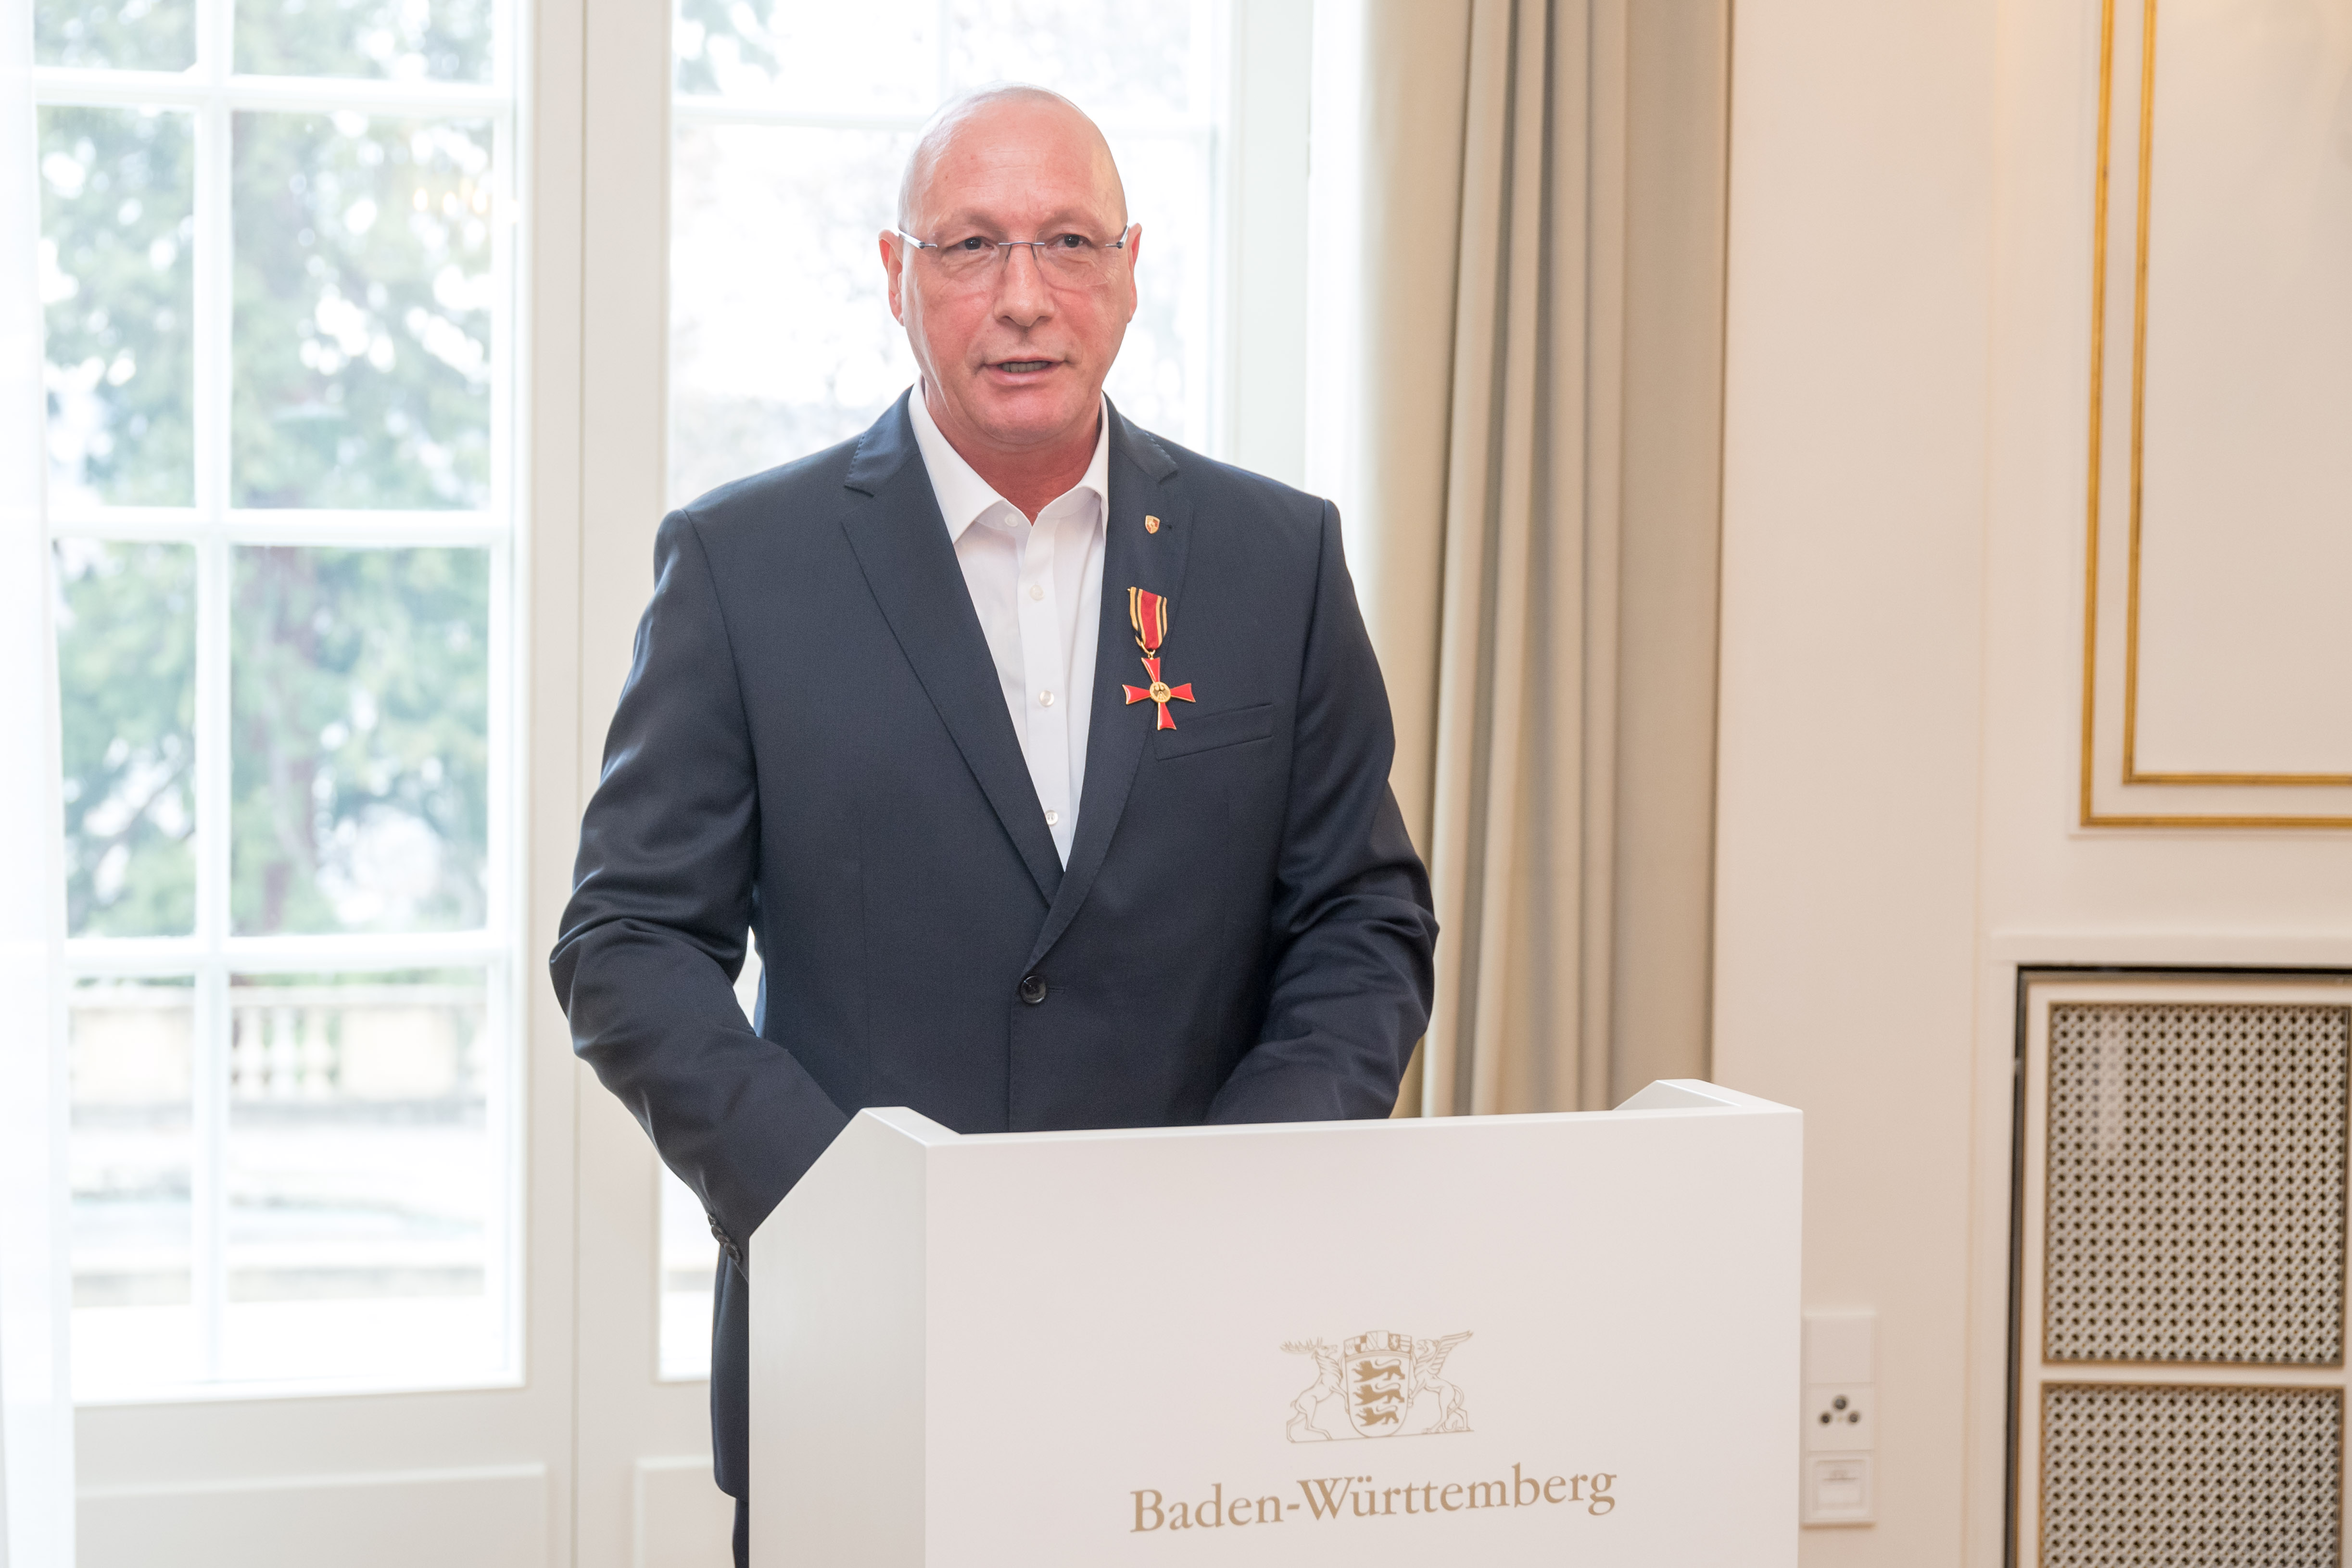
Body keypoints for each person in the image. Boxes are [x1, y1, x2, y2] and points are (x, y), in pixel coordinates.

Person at [550, 84, 1436, 1566]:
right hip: (860, 1349)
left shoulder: (1276, 559)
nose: (1023, 296)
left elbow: (1362, 918)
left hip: (1205, 1348)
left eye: (1068, 242)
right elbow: (625, 941)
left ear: (1131, 271)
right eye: (970, 246)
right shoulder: (744, 564)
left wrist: (1241, 1189)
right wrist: (845, 1207)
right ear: (895, 276)